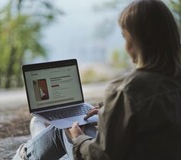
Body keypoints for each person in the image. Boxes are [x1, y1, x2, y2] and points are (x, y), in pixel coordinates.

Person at [13, 0, 181, 159]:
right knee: (43, 125)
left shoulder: (126, 90)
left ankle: (23, 155)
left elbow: (101, 156)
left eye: (125, 37)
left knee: (62, 130)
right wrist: (109, 112)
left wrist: (78, 138)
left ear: (133, 43)